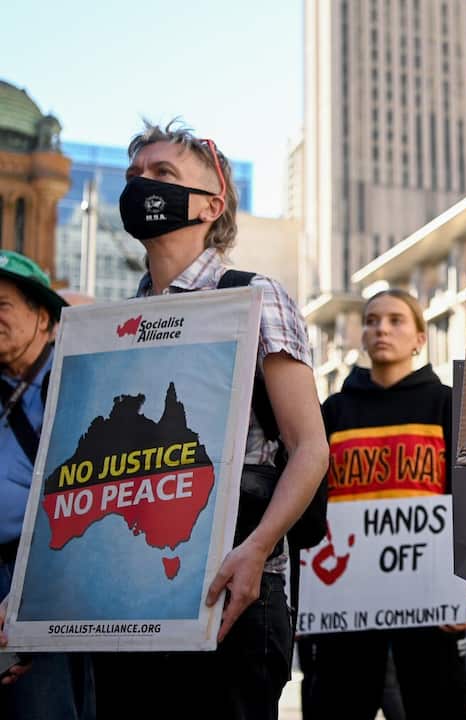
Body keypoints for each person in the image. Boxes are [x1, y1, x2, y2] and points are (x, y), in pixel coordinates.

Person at [86, 121, 330, 720]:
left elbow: (310, 448)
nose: (141, 184)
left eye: (163, 173)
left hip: (233, 591)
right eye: (135, 175)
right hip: (129, 601)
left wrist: (257, 551)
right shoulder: (116, 325)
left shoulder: (255, 297)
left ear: (211, 204)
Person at [304, 288, 466, 720]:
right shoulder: (333, 412)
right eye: (372, 320)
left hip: (430, 592)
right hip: (345, 595)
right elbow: (311, 502)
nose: (381, 329)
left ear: (420, 338)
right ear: (362, 336)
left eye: (396, 320)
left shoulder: (446, 404)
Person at [0, 251, 94, 719]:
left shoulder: (80, 380)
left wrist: (28, 593)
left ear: (42, 317)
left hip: (52, 580)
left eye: (2, 305)